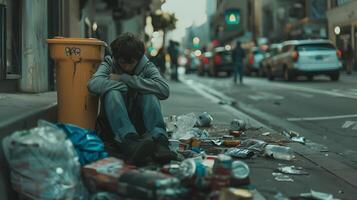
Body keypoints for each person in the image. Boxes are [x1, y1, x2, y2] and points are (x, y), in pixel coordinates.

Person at [87, 32, 176, 166]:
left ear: (138, 58)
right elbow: (93, 84)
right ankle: (129, 141)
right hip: (116, 129)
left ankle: (160, 142)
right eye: (123, 62)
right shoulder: (109, 63)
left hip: (140, 126)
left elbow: (164, 90)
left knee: (149, 94)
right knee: (113, 92)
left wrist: (126, 79)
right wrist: (122, 86)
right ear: (117, 58)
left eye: (131, 62)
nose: (127, 66)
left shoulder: (146, 66)